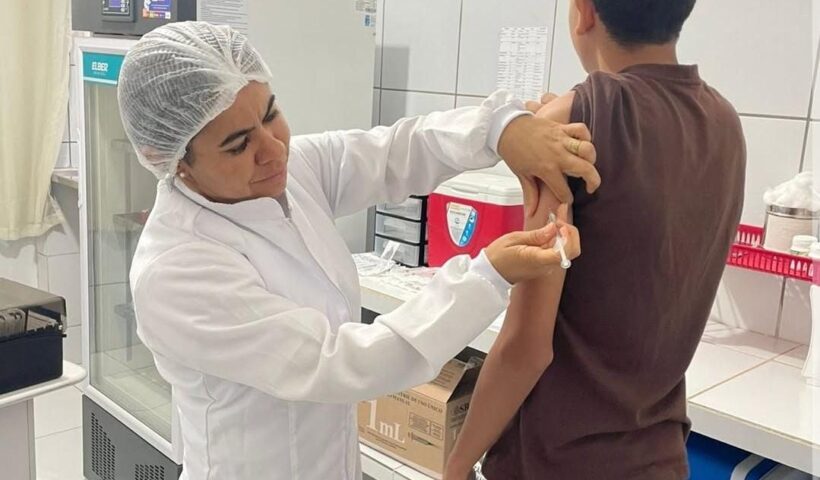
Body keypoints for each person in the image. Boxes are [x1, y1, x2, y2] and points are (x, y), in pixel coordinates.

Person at [118, 21, 599, 480]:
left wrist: (500, 128)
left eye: (270, 115)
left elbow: (393, 152)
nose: (274, 149)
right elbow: (339, 363)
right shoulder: (176, 271)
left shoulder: (289, 171)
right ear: (174, 162)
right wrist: (487, 276)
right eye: (238, 145)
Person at [444, 0, 746, 479]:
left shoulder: (575, 121)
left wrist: (457, 465)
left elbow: (527, 347)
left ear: (584, 11)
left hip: (556, 463)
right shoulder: (724, 122)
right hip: (660, 458)